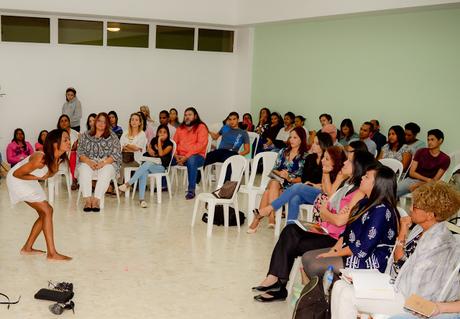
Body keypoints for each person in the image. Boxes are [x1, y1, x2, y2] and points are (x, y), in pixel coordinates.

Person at [251, 151, 378, 302]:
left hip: (335, 240)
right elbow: (329, 204)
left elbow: (337, 220)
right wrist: (329, 210)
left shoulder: (359, 193)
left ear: (358, 166)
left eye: (349, 161)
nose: (344, 163)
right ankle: (276, 280)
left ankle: (278, 284)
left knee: (291, 240)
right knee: (290, 230)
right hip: (325, 230)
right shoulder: (346, 185)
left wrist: (327, 213)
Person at [332, 182, 460, 319]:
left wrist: (377, 287)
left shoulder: (439, 244)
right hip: (396, 286)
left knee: (347, 295)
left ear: (430, 215)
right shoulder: (420, 229)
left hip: (411, 301)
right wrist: (403, 230)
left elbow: (414, 284)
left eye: (415, 207)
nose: (410, 208)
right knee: (339, 285)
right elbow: (400, 262)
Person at [6, 129, 72, 261]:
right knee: (47, 210)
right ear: (54, 143)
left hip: (29, 179)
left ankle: (27, 248)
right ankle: (52, 254)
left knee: (47, 211)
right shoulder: (39, 158)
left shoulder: (57, 159)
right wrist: (42, 178)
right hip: (17, 180)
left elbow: (49, 174)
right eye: (65, 139)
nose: (69, 142)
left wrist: (46, 175)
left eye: (69, 139)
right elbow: (16, 174)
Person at [247, 127, 308, 232]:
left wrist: (289, 177)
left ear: (301, 139)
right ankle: (271, 216)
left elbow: (303, 179)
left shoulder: (305, 157)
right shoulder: (283, 151)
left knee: (267, 192)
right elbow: (274, 169)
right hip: (277, 180)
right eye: (290, 137)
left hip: (292, 186)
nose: (291, 140)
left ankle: (257, 220)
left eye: (295, 137)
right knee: (274, 182)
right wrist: (281, 173)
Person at [119, 124, 173, 208]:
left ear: (168, 134)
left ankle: (128, 184)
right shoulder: (153, 140)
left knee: (146, 164)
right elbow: (150, 151)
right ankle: (142, 200)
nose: (162, 134)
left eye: (164, 132)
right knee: (144, 171)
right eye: (160, 132)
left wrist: (159, 141)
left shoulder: (169, 144)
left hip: (161, 167)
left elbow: (161, 154)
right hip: (150, 164)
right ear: (157, 132)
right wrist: (149, 149)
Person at [77, 112, 122, 212]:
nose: (101, 123)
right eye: (99, 121)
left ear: (107, 124)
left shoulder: (112, 136)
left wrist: (103, 162)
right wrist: (89, 162)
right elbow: (80, 153)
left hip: (107, 162)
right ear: (95, 121)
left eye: (104, 122)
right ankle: (88, 200)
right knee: (84, 169)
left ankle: (96, 200)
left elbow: (116, 154)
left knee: (106, 170)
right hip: (88, 162)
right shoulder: (85, 135)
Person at [397, 129, 450, 197]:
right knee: (394, 190)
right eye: (428, 140)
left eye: (432, 139)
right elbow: (411, 173)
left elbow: (435, 180)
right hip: (412, 180)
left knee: (421, 197)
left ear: (440, 141)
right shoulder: (421, 152)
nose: (429, 142)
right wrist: (427, 179)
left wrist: (419, 184)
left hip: (429, 185)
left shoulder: (445, 159)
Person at [172, 107, 209, 200]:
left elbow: (200, 145)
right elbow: (174, 143)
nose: (187, 117)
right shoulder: (180, 128)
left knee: (191, 160)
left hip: (197, 157)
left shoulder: (201, 127)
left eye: (189, 115)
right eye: (185, 115)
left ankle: (191, 190)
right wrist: (176, 155)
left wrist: (186, 156)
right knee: (164, 156)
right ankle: (163, 185)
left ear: (195, 116)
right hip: (179, 156)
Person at [118, 113, 147, 184]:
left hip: (136, 160)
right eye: (132, 120)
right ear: (130, 122)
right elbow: (120, 147)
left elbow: (137, 149)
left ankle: (119, 185)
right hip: (124, 157)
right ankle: (115, 185)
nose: (134, 122)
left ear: (140, 123)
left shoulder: (142, 134)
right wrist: (130, 147)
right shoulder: (125, 133)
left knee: (122, 166)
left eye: (136, 120)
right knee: (115, 164)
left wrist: (127, 145)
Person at [57, 114, 80, 189]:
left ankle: (74, 179)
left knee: (74, 154)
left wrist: (76, 146)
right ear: (59, 124)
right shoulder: (57, 134)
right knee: (72, 154)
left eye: (66, 121)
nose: (64, 122)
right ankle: (74, 179)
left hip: (75, 155)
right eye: (61, 121)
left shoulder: (76, 134)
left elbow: (81, 146)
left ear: (69, 123)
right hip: (61, 155)